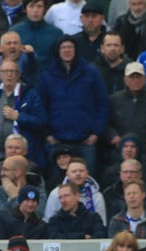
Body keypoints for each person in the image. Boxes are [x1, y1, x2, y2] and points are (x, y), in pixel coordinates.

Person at [39, 35, 109, 176]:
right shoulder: (48, 75)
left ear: (76, 50)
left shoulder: (91, 72)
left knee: (88, 181)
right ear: (57, 51)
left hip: (85, 141)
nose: (67, 51)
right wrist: (47, 134)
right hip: (57, 141)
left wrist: (96, 133)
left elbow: (103, 104)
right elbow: (41, 107)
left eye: (70, 47)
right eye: (63, 47)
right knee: (59, 185)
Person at [105, 62, 146, 168]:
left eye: (138, 77)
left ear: (145, 79)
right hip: (121, 152)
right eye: (132, 77)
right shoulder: (114, 99)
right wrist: (113, 136)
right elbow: (105, 124)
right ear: (125, 80)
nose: (135, 80)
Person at [0, 60, 46, 169]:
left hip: (25, 156)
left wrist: (18, 117)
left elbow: (41, 122)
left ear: (18, 74)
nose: (9, 75)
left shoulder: (30, 94)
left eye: (12, 71)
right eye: (5, 71)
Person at [44, 157, 107, 225]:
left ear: (87, 174)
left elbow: (102, 224)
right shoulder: (56, 194)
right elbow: (48, 222)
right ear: (67, 175)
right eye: (74, 171)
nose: (78, 174)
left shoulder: (97, 196)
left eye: (81, 171)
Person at [10, 0, 63, 78]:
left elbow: (59, 60)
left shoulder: (56, 33)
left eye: (39, 6)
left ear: (45, 9)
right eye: (31, 6)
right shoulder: (15, 32)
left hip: (49, 79)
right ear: (25, 9)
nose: (35, 10)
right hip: (22, 80)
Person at [0, 155, 47, 219]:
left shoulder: (37, 189)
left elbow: (37, 215)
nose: (1, 173)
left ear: (18, 172)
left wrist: (14, 197)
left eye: (5, 170)